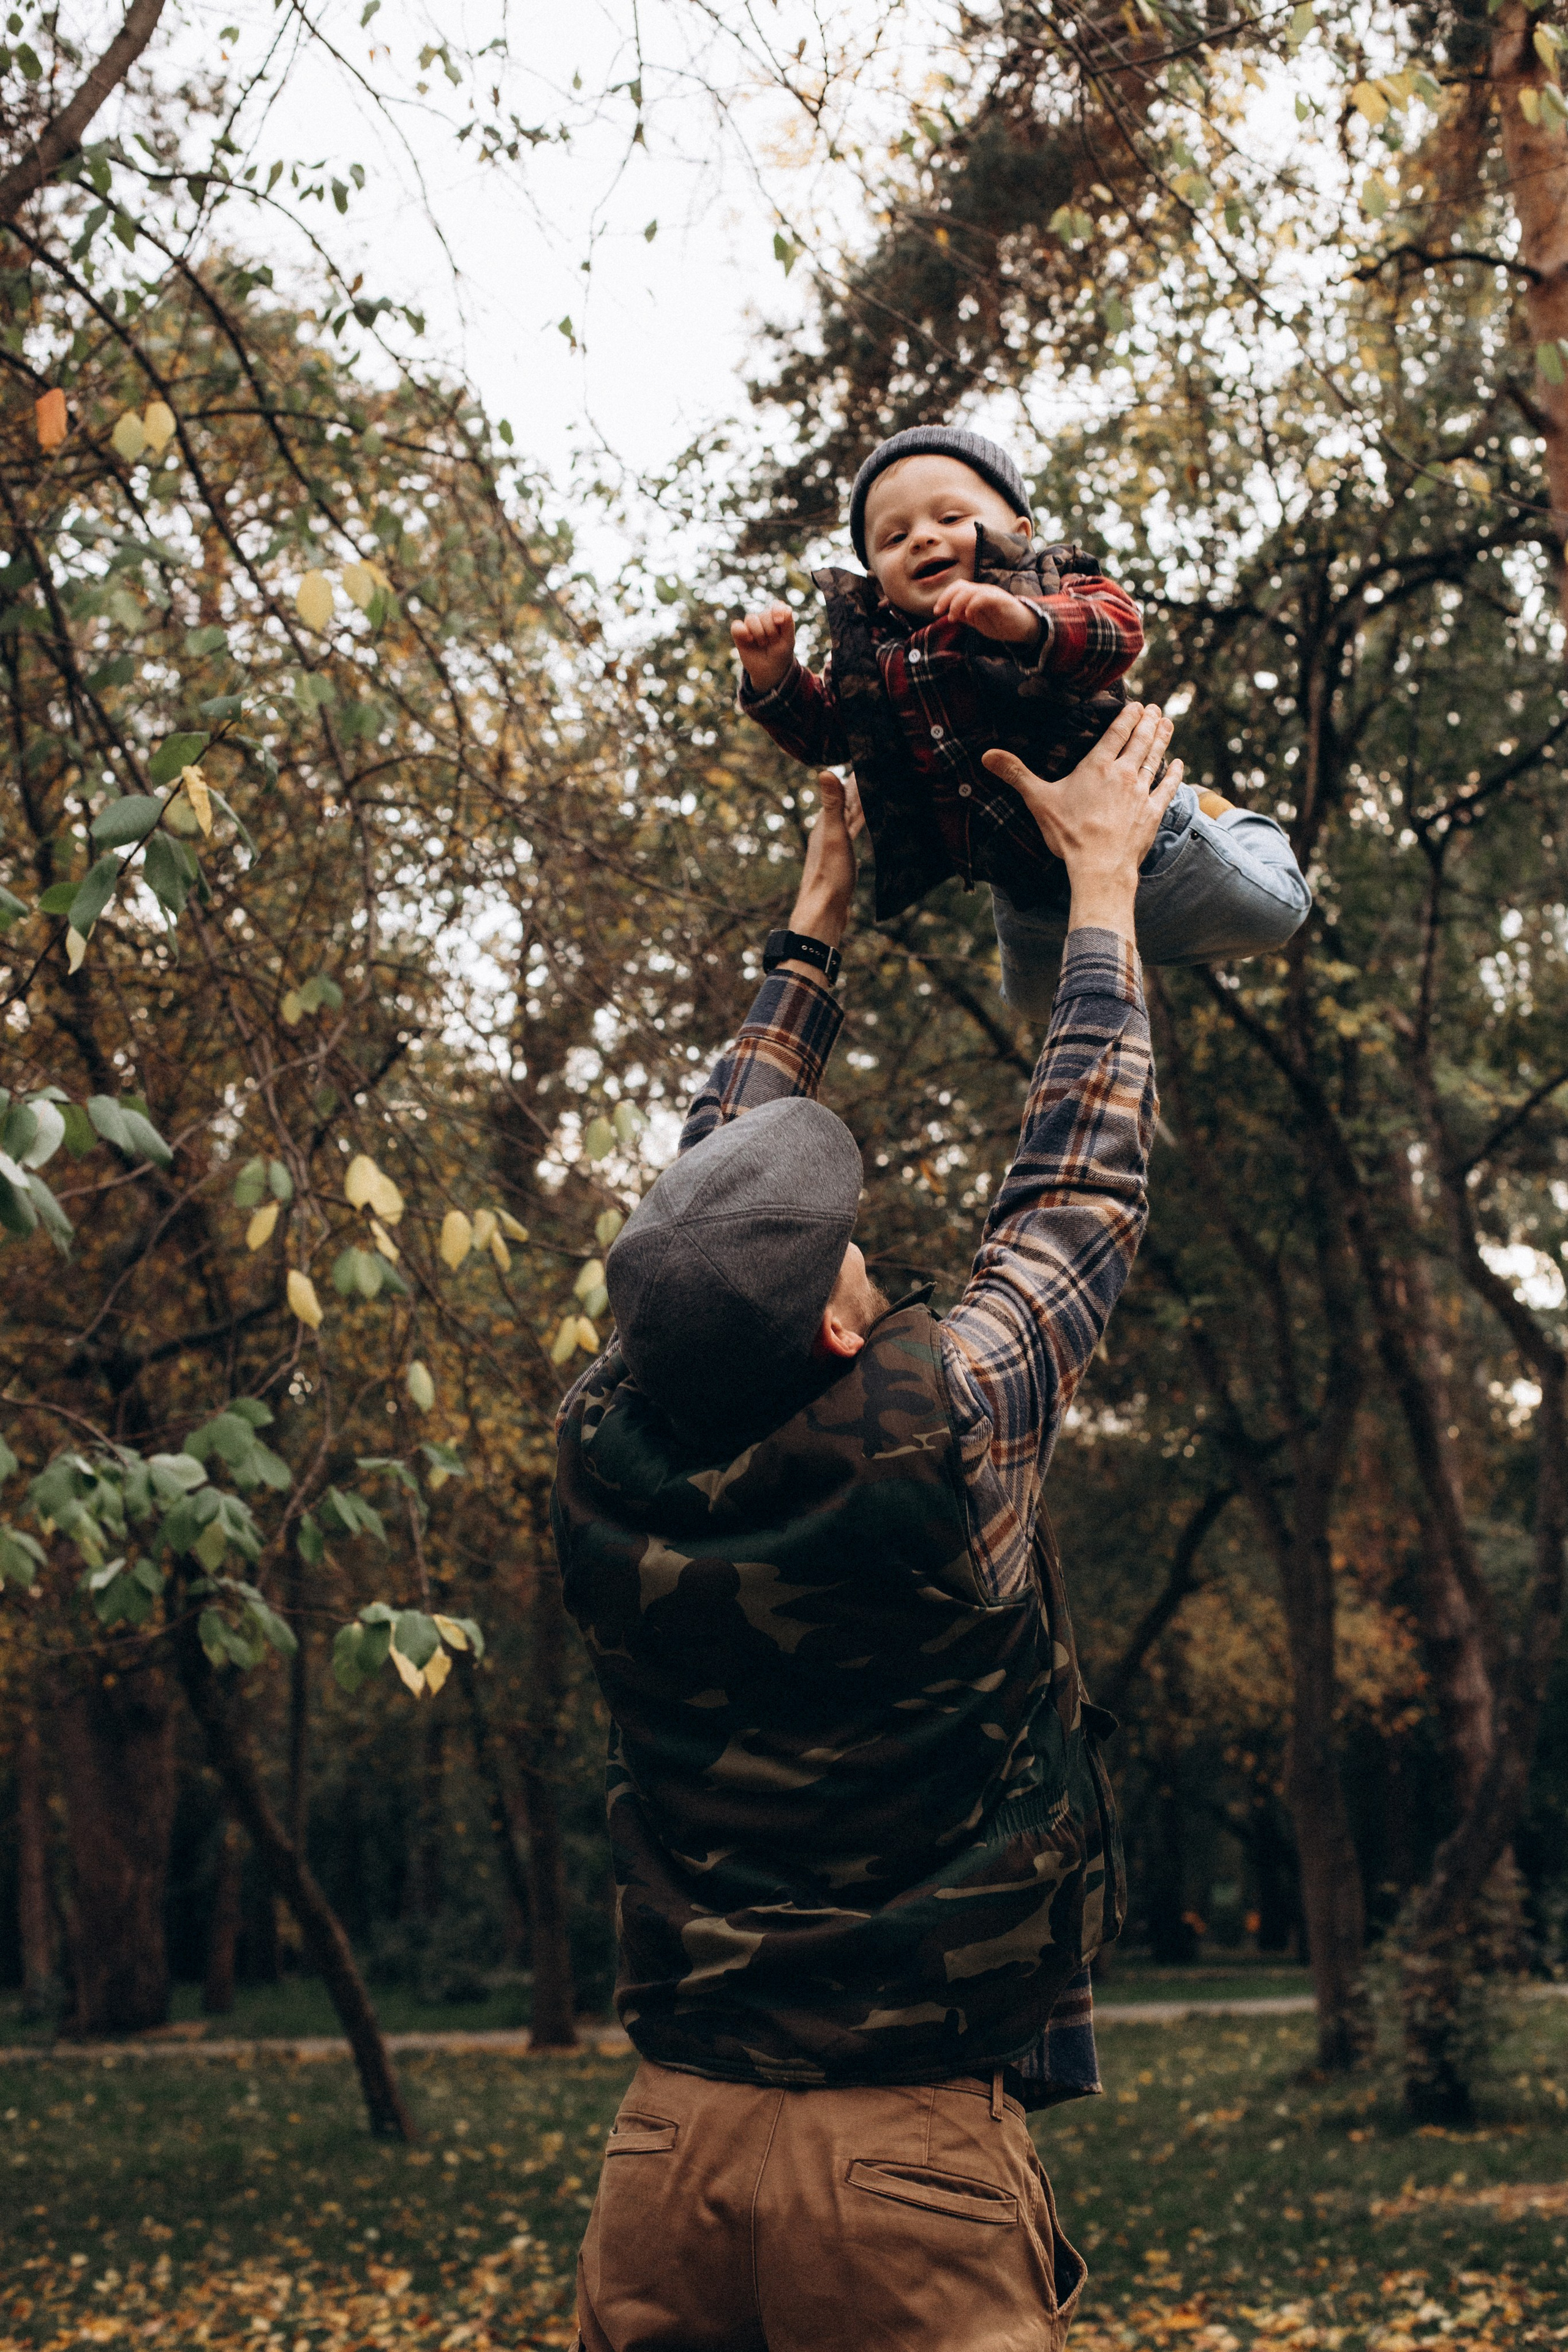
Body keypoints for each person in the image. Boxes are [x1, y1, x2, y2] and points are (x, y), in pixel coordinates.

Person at [552, 702, 1179, 2351]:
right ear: (831, 1331)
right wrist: (1102, 890)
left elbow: (703, 1229)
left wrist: (809, 933)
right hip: (898, 2166)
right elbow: (1078, 1189)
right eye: (834, 1243)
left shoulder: (605, 1457)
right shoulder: (944, 1434)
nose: (850, 1236)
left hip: (667, 2158)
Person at [731, 423, 1309, 1018]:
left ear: (1019, 532)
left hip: (1142, 839)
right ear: (876, 578)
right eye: (894, 536)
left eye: (950, 518)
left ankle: (1215, 813)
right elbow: (832, 733)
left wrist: (1028, 623)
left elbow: (1117, 630)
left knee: (1279, 910)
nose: (923, 539)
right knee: (1038, 1005)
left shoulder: (1049, 581)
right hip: (1025, 887)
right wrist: (775, 679)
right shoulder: (870, 661)